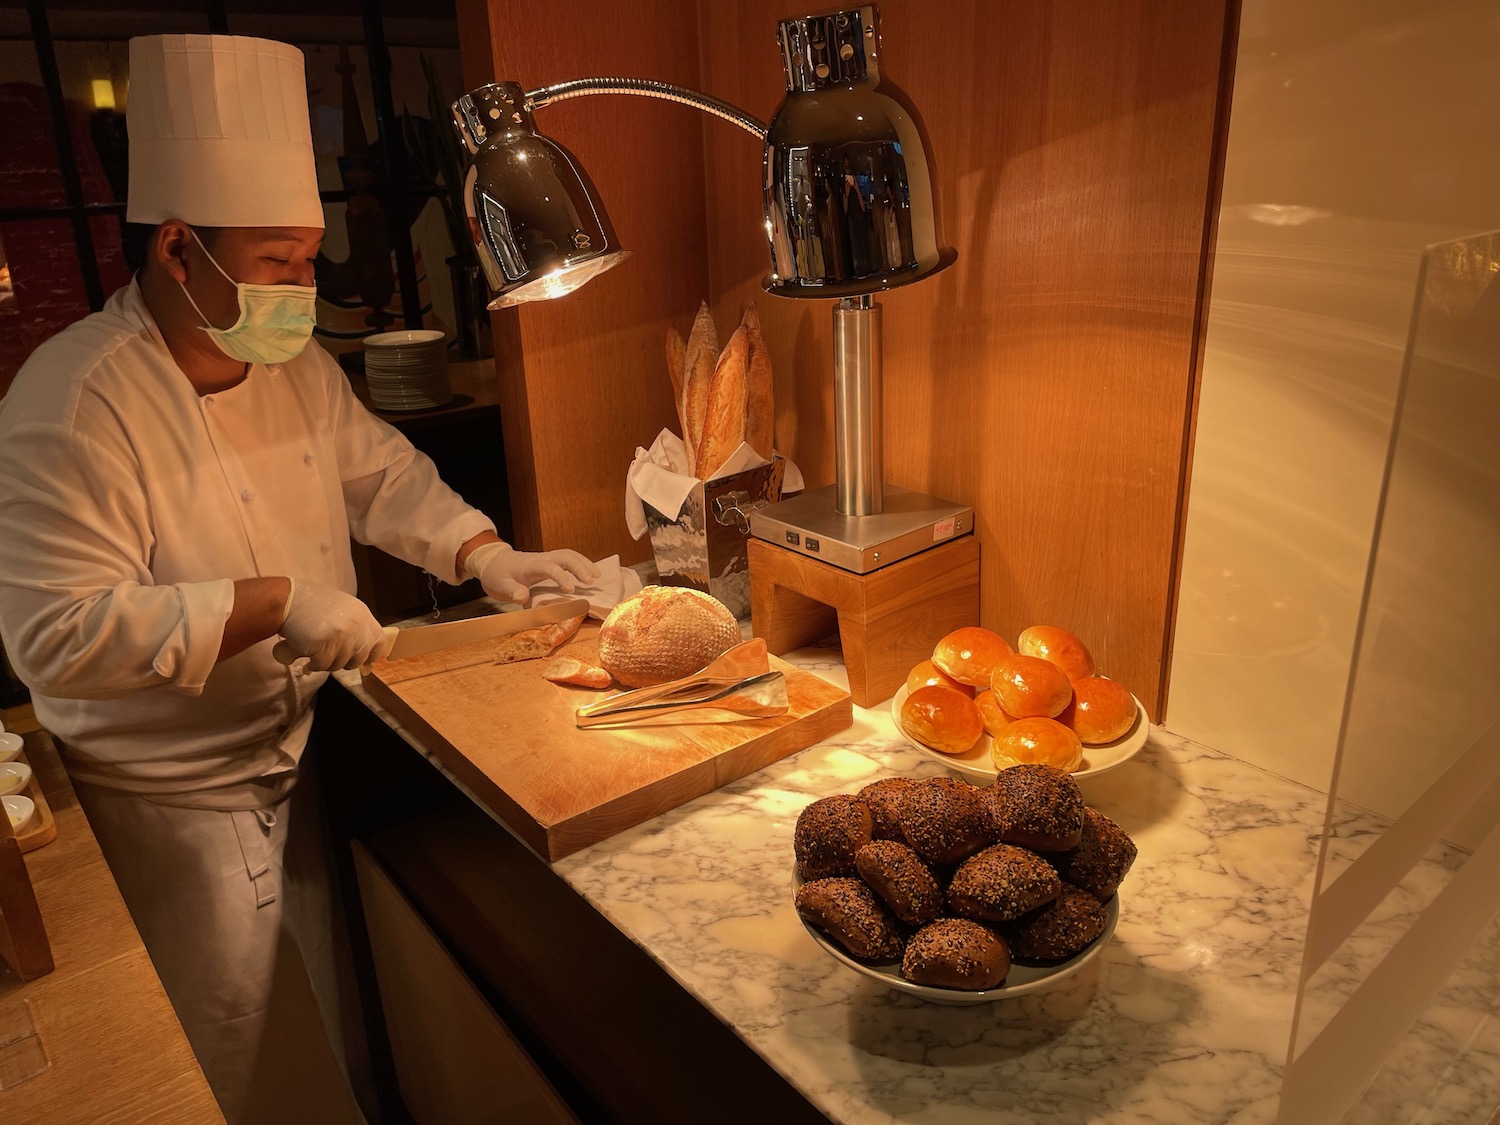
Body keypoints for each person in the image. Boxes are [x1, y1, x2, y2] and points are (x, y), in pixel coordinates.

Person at [0, 33, 598, 1125]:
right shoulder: (74, 397)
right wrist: (276, 601)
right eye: (278, 262)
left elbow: (383, 479)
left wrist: (486, 555)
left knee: (335, 1037)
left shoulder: (294, 363)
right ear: (179, 250)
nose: (304, 286)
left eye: (309, 257)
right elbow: (54, 634)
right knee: (245, 1071)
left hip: (300, 754)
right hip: (169, 804)